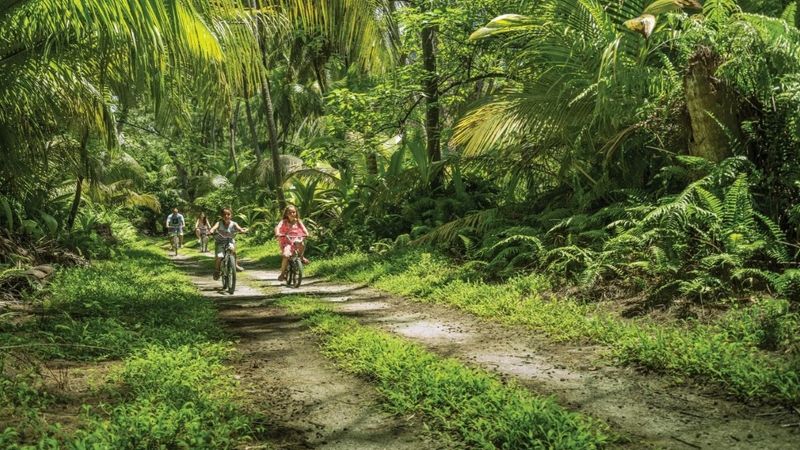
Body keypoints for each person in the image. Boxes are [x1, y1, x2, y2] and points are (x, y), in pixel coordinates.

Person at [209, 207, 248, 280]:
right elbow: (214, 228)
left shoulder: (234, 223)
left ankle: (235, 265)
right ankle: (217, 270)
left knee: (233, 251)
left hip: (230, 241)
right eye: (224, 214)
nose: (226, 216)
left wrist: (242, 230)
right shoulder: (219, 223)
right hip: (220, 242)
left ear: (231, 215)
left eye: (228, 214)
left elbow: (239, 228)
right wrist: (211, 231)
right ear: (221, 216)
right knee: (219, 256)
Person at [274, 205, 309, 281]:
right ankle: (282, 273)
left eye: (294, 212)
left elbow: (304, 228)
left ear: (296, 213)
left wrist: (306, 233)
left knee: (302, 244)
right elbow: (278, 227)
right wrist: (277, 233)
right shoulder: (283, 222)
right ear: (286, 214)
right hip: (287, 241)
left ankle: (301, 257)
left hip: (296, 239)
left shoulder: (298, 221)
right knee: (286, 256)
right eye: (290, 212)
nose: (292, 214)